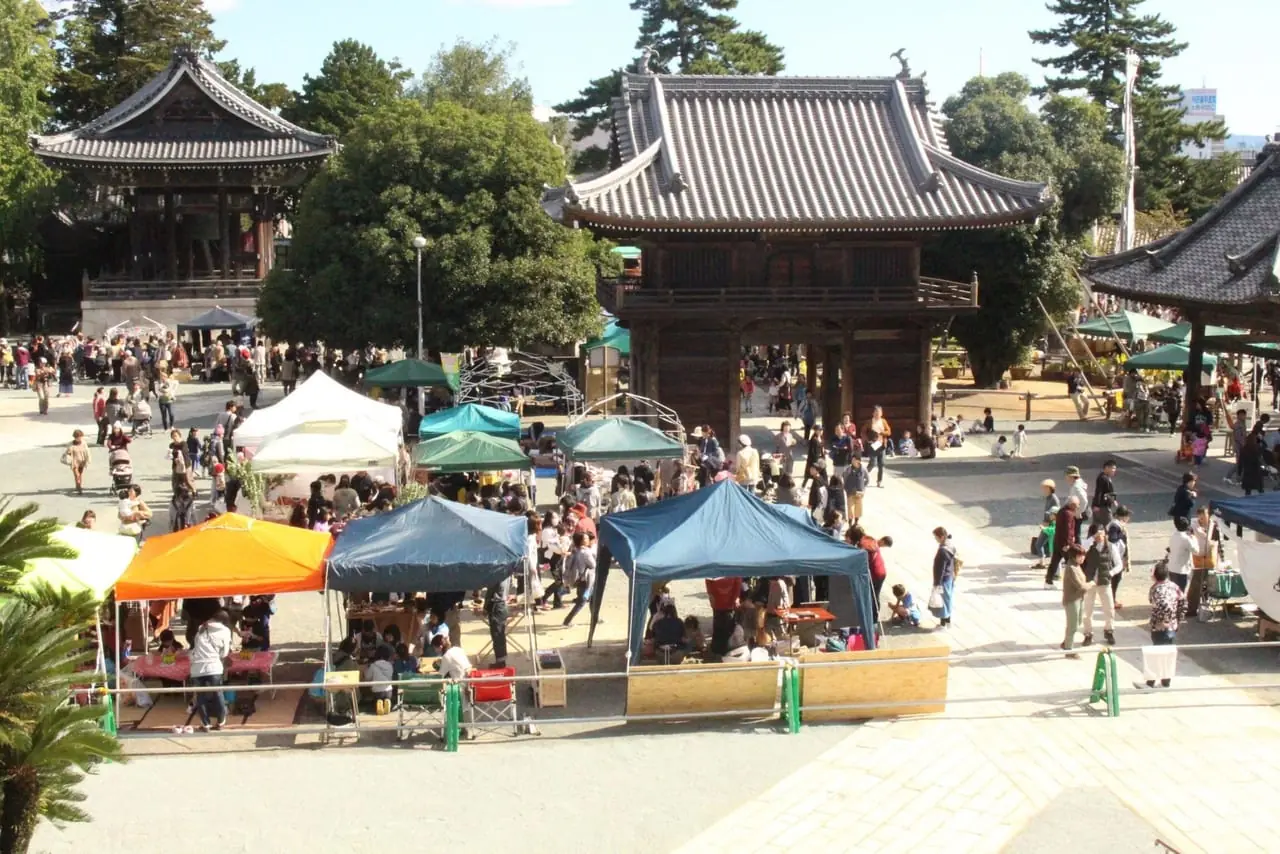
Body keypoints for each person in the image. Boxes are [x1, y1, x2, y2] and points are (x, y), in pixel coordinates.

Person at [1136, 562, 1187, 689]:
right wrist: (1177, 619)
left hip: (1160, 627)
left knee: (1156, 653)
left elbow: (1164, 605)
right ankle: (1166, 681)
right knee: (1168, 654)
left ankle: (1150, 682)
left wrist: (1163, 619)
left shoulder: (1156, 589)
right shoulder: (1174, 586)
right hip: (1172, 626)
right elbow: (1183, 602)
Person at [189, 609, 232, 731]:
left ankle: (206, 724)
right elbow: (224, 654)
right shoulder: (225, 631)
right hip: (214, 667)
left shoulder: (201, 628)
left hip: (197, 668)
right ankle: (221, 722)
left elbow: (195, 647)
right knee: (218, 694)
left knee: (200, 696)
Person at [1081, 524, 1117, 646]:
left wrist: (1110, 573)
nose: (1100, 537)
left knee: (1109, 608)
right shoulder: (1089, 546)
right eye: (1098, 534)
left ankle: (1109, 630)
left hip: (1104, 581)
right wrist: (1092, 539)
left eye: (1102, 534)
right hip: (1090, 581)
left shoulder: (1111, 547)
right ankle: (1088, 633)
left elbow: (1118, 564)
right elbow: (1082, 548)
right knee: (1087, 610)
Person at [1187, 505, 1222, 618]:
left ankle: (1205, 606)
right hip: (1197, 560)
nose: (1203, 520)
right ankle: (1192, 608)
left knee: (1209, 585)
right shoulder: (1193, 526)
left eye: (1205, 517)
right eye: (1200, 518)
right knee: (1196, 585)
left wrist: (1221, 558)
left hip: (1211, 560)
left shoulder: (1214, 526)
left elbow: (1219, 543)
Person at [1060, 544, 1090, 657]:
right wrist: (1091, 584)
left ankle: (1067, 642)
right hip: (1071, 600)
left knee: (1077, 623)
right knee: (1072, 625)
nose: (1082, 558)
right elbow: (1080, 586)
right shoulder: (1071, 568)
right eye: (1080, 556)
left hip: (1079, 598)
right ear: (1074, 556)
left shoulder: (1077, 565)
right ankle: (1069, 649)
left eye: (1083, 556)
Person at [561, 531, 596, 627]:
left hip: (581, 580)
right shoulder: (586, 552)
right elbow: (593, 565)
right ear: (581, 541)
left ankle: (595, 618)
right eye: (585, 539)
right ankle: (567, 621)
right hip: (585, 580)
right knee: (581, 602)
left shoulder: (575, 550)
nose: (588, 540)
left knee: (593, 599)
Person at [1045, 496, 1080, 586]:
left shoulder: (1061, 511)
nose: (1078, 507)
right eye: (1077, 505)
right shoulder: (1068, 514)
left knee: (1054, 562)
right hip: (1065, 544)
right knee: (1072, 563)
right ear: (1072, 505)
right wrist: (1069, 544)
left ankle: (1048, 581)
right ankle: (1074, 583)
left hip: (1058, 541)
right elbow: (1067, 530)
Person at [704, 576, 741, 657]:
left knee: (726, 628)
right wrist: (710, 595)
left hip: (728, 604)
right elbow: (708, 580)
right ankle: (718, 650)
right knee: (720, 628)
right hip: (719, 603)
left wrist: (736, 597)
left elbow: (738, 581)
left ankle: (724, 650)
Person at [930, 526, 957, 628]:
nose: (935, 539)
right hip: (949, 576)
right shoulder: (950, 545)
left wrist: (937, 583)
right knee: (947, 600)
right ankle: (948, 622)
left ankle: (943, 624)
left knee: (942, 602)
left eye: (936, 537)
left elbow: (940, 569)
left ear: (941, 537)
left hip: (943, 579)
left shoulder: (942, 551)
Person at [484, 574, 511, 667]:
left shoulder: (497, 575)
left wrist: (485, 608)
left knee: (497, 635)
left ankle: (500, 662)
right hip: (502, 606)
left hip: (497, 606)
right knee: (500, 635)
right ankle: (501, 660)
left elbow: (490, 591)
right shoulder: (507, 573)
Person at [1165, 516, 1197, 594]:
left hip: (1171, 567)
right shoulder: (1186, 539)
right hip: (1181, 570)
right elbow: (1196, 551)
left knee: (1173, 591)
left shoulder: (1173, 536)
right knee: (1181, 591)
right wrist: (1194, 538)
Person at [865, 406, 891, 487]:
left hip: (881, 444)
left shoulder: (883, 421)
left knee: (881, 464)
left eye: (879, 412)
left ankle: (879, 481)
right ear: (873, 413)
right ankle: (862, 475)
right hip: (873, 444)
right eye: (876, 412)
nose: (877, 413)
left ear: (881, 413)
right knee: (873, 463)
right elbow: (863, 431)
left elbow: (889, 432)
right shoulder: (869, 422)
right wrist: (867, 440)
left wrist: (882, 432)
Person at [365, 644, 395, 709]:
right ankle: (387, 701)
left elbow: (367, 677)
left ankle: (379, 703)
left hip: (377, 691)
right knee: (386, 698)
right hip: (389, 690)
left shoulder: (373, 665)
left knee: (375, 704)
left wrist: (366, 669)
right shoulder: (390, 665)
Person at [1064, 466, 1089, 541]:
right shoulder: (1077, 484)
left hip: (1079, 512)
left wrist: (1078, 513)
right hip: (1079, 511)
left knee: (1076, 534)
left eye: (1067, 476)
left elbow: (1084, 501)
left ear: (1071, 476)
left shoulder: (1076, 487)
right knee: (1075, 533)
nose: (1066, 478)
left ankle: (1078, 550)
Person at [842, 456, 868, 526]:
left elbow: (867, 480)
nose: (852, 461)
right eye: (852, 460)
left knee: (858, 508)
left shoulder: (863, 469)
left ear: (858, 461)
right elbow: (844, 478)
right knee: (850, 508)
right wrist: (846, 488)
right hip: (850, 492)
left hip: (859, 492)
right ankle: (850, 523)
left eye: (854, 460)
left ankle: (856, 522)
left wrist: (863, 487)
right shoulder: (848, 469)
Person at [64, 429, 91, 494]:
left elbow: (87, 452)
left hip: (82, 461)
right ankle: (79, 488)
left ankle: (78, 485)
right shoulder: (71, 444)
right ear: (75, 437)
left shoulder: (84, 443)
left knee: (80, 474)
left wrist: (88, 460)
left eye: (80, 437)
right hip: (74, 462)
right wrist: (68, 453)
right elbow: (67, 452)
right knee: (77, 474)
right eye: (77, 437)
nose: (79, 438)